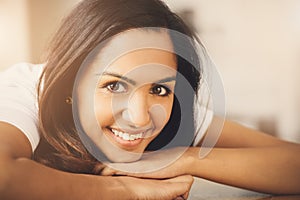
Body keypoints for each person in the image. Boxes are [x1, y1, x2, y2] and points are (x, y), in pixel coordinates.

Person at [0, 0, 299, 199]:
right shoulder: (26, 90)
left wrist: (183, 158)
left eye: (159, 89)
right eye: (115, 85)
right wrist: (126, 188)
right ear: (69, 83)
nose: (141, 117)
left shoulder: (170, 107)